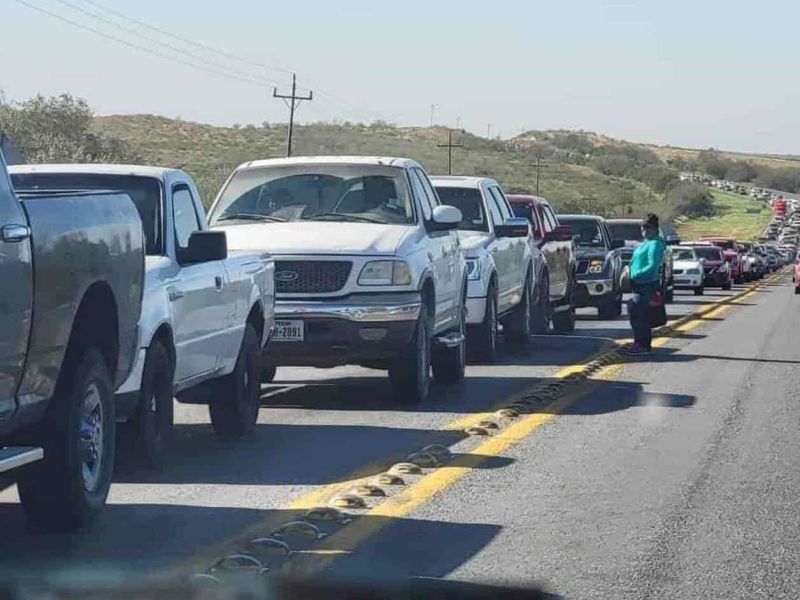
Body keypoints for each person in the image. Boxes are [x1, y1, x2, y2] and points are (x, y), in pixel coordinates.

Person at [626, 213, 666, 354]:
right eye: (643, 228)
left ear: (655, 228)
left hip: (647, 285)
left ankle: (642, 344)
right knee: (636, 312)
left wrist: (635, 274)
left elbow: (652, 266)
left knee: (639, 313)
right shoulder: (645, 243)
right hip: (638, 285)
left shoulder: (655, 244)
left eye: (648, 228)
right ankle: (640, 343)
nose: (645, 231)